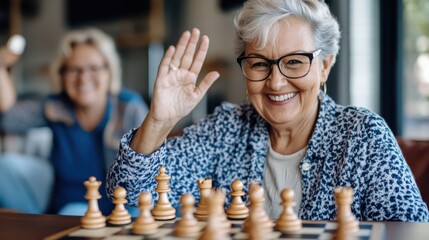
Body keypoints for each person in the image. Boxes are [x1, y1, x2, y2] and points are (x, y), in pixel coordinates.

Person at [106, 0, 429, 221]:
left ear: (325, 66)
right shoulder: (226, 129)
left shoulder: (363, 135)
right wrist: (159, 122)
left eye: (294, 62)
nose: (276, 82)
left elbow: (412, 230)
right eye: (260, 64)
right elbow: (129, 192)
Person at [0, 28, 148, 215]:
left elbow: (148, 172)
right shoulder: (55, 105)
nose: (83, 77)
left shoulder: (129, 107)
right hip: (65, 209)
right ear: (61, 75)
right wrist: (1, 68)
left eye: (93, 68)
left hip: (120, 211)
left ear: (109, 71)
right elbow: (9, 119)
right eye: (73, 69)